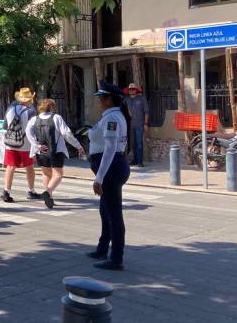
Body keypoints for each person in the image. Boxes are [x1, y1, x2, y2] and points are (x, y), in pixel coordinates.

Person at [86, 81, 131, 271]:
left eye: (101, 98)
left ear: (109, 99)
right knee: (105, 211)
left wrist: (99, 178)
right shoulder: (109, 116)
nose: (98, 101)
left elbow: (111, 148)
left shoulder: (112, 118)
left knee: (113, 214)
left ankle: (116, 258)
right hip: (110, 167)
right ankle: (103, 248)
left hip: (111, 168)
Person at [25, 99, 85, 209]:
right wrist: (78, 146)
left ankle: (50, 197)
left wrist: (36, 144)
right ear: (52, 107)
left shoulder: (34, 119)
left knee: (46, 173)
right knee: (58, 174)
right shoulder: (56, 118)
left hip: (41, 151)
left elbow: (28, 131)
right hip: (56, 151)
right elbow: (66, 133)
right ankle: (48, 193)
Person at [1, 88, 39, 203]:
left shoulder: (10, 109)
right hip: (26, 144)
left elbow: (4, 126)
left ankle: (6, 191)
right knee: (30, 167)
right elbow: (35, 129)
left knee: (10, 167)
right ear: (28, 100)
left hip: (11, 143)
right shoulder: (31, 111)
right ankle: (31, 191)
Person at [124, 83, 149, 167]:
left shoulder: (142, 99)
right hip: (131, 125)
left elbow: (146, 112)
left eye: (133, 89)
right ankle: (135, 160)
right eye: (130, 89)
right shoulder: (126, 99)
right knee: (133, 143)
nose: (132, 90)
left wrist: (146, 123)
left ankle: (140, 161)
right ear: (128, 90)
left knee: (139, 143)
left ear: (136, 90)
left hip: (140, 124)